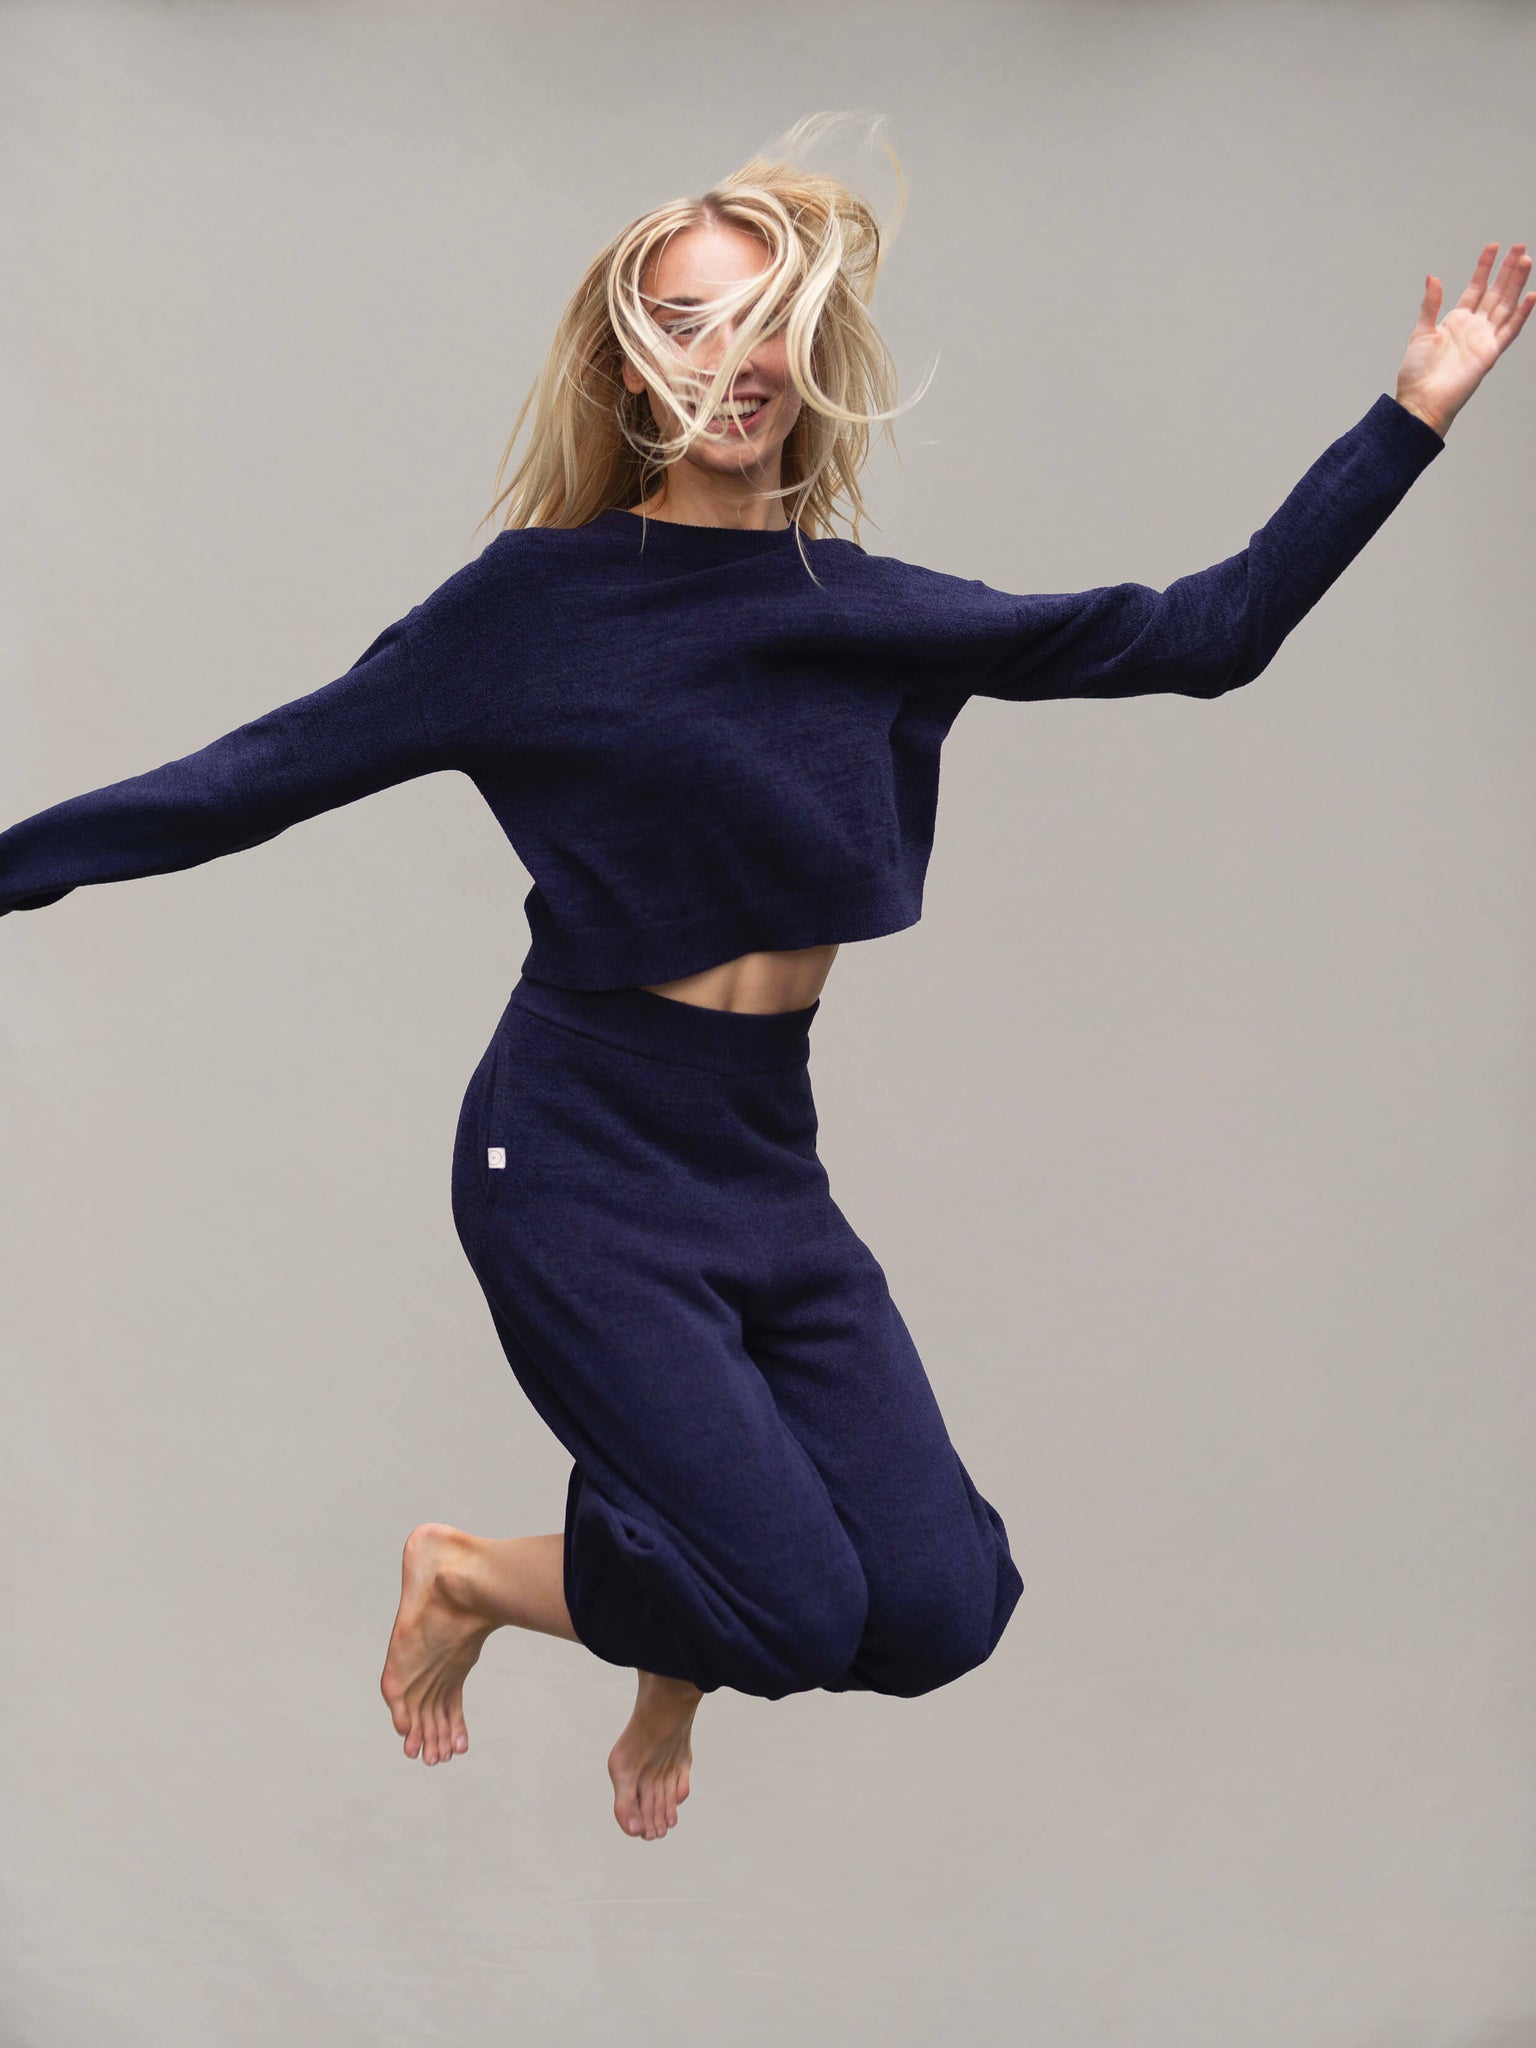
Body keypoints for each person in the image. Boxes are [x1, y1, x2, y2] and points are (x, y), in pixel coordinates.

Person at [1, 113, 1528, 1848]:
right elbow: (242, 779)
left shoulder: (866, 609)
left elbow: (1211, 633)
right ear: (631, 369)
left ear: (805, 349)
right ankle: (475, 1577)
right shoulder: (532, 610)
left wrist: (1413, 412)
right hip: (571, 1152)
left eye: (760, 321)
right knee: (790, 1611)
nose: (728, 360)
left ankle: (672, 1602)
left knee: (941, 1611)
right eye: (684, 325)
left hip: (755, 1154)